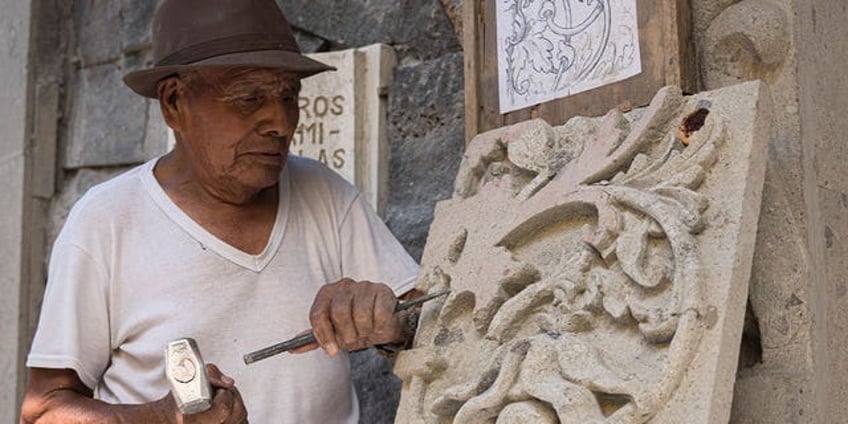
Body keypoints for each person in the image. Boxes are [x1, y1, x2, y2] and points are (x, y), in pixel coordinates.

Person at [19, 0, 420, 422]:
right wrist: (161, 418)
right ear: (174, 103)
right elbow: (43, 411)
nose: (281, 122)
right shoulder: (106, 222)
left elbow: (431, 319)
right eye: (249, 98)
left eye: (289, 96)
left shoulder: (326, 193)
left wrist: (388, 321)